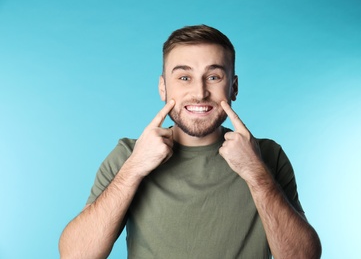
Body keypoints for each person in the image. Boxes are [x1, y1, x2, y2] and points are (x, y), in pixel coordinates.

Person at [59, 24, 321, 259]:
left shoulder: (267, 155)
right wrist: (134, 168)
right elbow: (76, 255)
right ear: (163, 87)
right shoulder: (128, 154)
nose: (199, 92)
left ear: (234, 88)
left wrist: (256, 173)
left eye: (214, 77)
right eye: (184, 77)